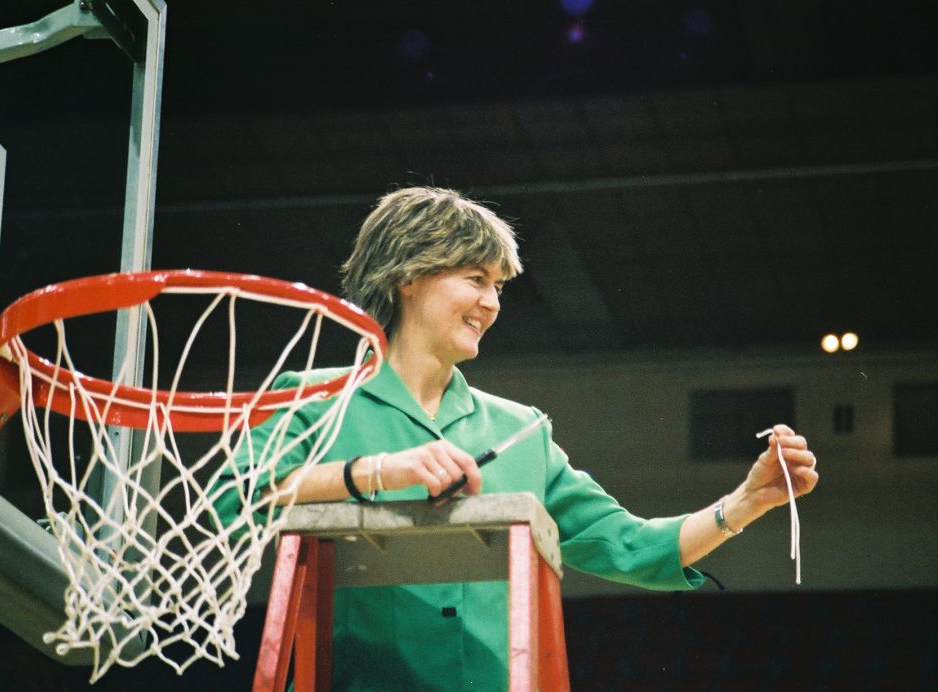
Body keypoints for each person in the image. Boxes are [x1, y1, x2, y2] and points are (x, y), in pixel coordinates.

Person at [212, 186, 819, 689]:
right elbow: (230, 499)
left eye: (499, 286)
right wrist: (377, 472)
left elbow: (630, 545)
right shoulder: (315, 399)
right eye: (477, 278)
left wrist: (746, 502)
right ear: (407, 277)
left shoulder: (522, 431)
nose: (492, 302)